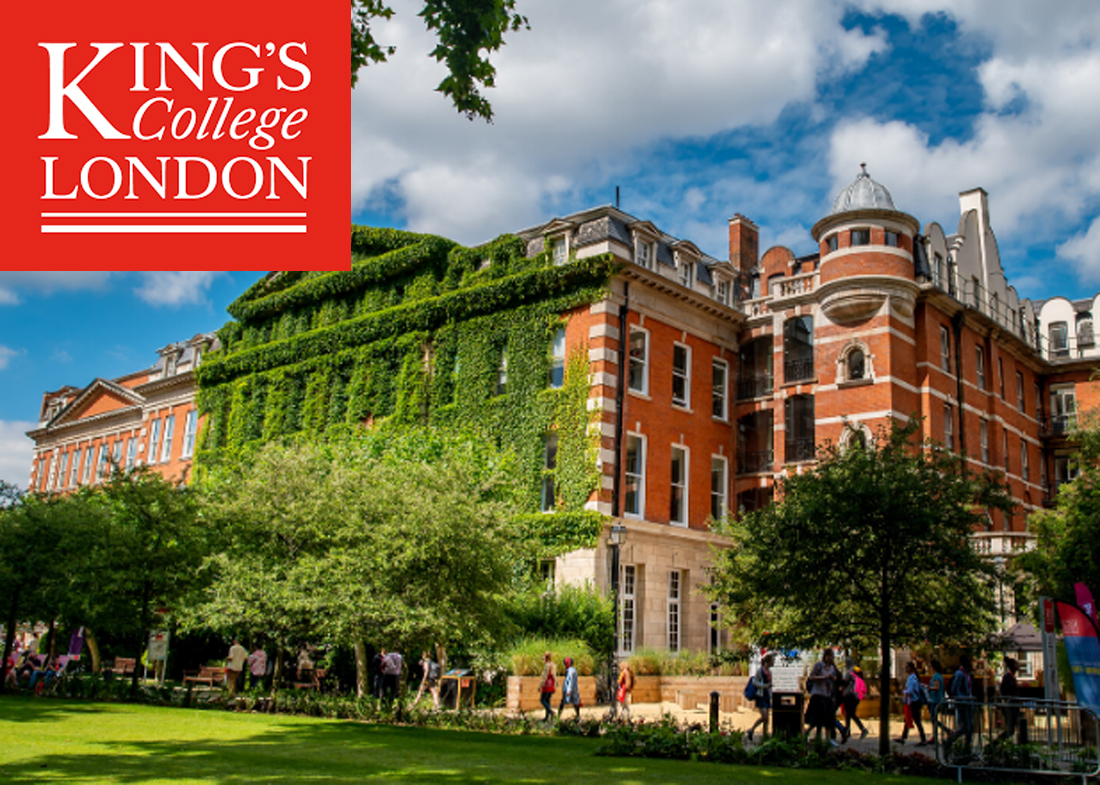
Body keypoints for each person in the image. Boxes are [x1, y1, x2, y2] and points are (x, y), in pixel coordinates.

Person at [805, 648, 839, 744]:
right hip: (818, 694)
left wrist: (833, 678)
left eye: (832, 656)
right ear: (825, 656)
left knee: (828, 719)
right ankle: (806, 734)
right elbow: (811, 677)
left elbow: (836, 679)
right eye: (829, 656)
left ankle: (828, 739)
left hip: (827, 695)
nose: (831, 658)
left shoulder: (832, 668)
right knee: (816, 719)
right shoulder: (819, 666)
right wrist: (823, 678)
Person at [945, 654, 975, 751]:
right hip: (963, 703)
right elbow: (955, 689)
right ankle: (952, 739)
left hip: (968, 702)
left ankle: (968, 745)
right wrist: (962, 698)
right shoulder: (959, 674)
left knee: (970, 726)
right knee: (966, 726)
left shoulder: (967, 673)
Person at [896, 661, 927, 745]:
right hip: (914, 701)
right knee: (908, 718)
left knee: (916, 720)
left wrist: (904, 693)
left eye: (907, 668)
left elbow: (910, 690)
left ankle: (923, 738)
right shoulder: (915, 677)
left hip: (913, 701)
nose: (906, 669)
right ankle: (903, 737)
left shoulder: (911, 678)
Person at [838, 660, 868, 742]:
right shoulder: (858, 671)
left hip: (850, 694)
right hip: (857, 695)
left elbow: (845, 683)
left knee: (849, 713)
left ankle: (855, 729)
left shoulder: (848, 672)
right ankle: (849, 730)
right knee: (850, 713)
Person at [747, 653, 774, 742]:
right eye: (772, 661)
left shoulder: (770, 672)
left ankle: (765, 735)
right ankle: (752, 729)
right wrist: (764, 686)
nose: (773, 663)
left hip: (767, 695)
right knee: (764, 716)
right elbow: (754, 682)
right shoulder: (760, 671)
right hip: (761, 695)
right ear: (768, 662)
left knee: (767, 718)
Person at [927, 658, 948, 745]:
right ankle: (934, 736)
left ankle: (946, 731)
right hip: (938, 699)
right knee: (933, 719)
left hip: (935, 700)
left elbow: (937, 687)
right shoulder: (940, 676)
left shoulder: (935, 676)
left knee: (933, 719)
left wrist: (929, 688)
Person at [998, 657, 1020, 741]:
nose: (1017, 666)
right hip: (1009, 705)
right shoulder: (1007, 677)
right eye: (1016, 664)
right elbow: (1004, 690)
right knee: (1010, 729)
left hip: (1013, 705)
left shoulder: (1012, 677)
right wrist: (1009, 699)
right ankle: (997, 743)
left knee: (1012, 729)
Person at [538, 651, 556, 722]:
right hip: (551, 684)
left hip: (546, 685)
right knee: (547, 701)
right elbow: (555, 676)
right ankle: (547, 717)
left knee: (542, 700)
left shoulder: (546, 666)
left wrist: (540, 686)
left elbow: (544, 677)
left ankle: (551, 711)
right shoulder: (553, 665)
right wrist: (555, 686)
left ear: (545, 658)